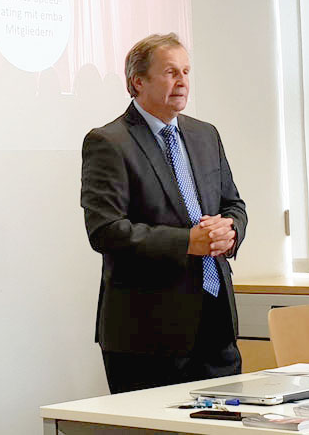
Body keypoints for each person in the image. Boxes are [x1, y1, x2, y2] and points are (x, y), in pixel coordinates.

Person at [80, 33, 248, 394]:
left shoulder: (205, 135)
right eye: (171, 72)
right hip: (147, 335)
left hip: (216, 326)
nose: (182, 81)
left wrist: (231, 230)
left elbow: (233, 204)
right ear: (138, 81)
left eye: (186, 71)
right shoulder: (109, 142)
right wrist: (188, 242)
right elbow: (105, 230)